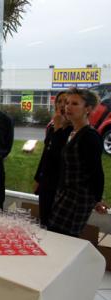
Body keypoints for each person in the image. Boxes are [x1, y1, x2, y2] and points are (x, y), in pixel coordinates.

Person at [48, 88, 105, 237]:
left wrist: (98, 199)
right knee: (54, 235)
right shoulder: (72, 133)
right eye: (67, 103)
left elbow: (96, 171)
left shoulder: (89, 137)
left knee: (63, 239)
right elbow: (55, 156)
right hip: (64, 195)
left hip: (77, 199)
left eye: (74, 103)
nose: (68, 107)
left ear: (88, 109)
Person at [33, 91, 73, 226]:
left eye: (66, 102)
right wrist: (38, 178)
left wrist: (58, 128)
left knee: (55, 223)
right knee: (44, 219)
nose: (62, 105)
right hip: (47, 180)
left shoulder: (72, 131)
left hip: (61, 182)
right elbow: (46, 154)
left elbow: (58, 154)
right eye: (59, 101)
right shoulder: (52, 128)